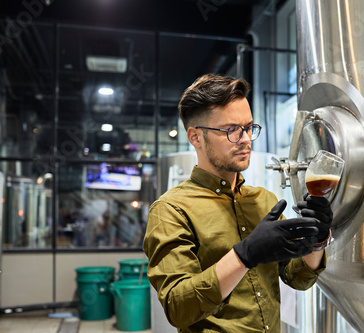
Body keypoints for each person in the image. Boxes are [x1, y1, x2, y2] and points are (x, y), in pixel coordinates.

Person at [142, 74, 333, 332]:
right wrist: (244, 255)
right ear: (195, 137)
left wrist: (318, 241)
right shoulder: (171, 210)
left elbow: (297, 276)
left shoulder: (264, 200)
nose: (244, 139)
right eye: (231, 129)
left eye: (248, 127)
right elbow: (178, 307)